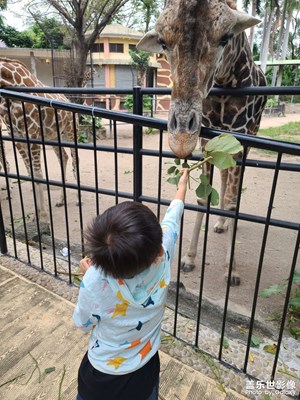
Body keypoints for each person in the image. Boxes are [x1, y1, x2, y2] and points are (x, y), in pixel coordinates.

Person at [73, 169, 189, 400]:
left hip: (102, 373)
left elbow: (82, 323)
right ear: (157, 250)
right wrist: (182, 186)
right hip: (145, 366)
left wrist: (89, 275)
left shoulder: (94, 280)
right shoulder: (163, 256)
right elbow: (172, 220)